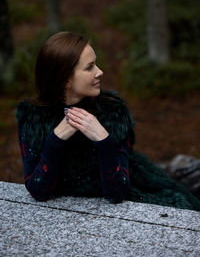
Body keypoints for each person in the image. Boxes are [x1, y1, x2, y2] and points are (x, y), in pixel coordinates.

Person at [16, 31, 200, 211]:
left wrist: (103, 139)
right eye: (89, 67)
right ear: (65, 80)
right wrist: (55, 139)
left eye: (96, 64)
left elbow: (117, 193)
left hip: (132, 195)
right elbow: (38, 191)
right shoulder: (33, 118)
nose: (100, 72)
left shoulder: (113, 111)